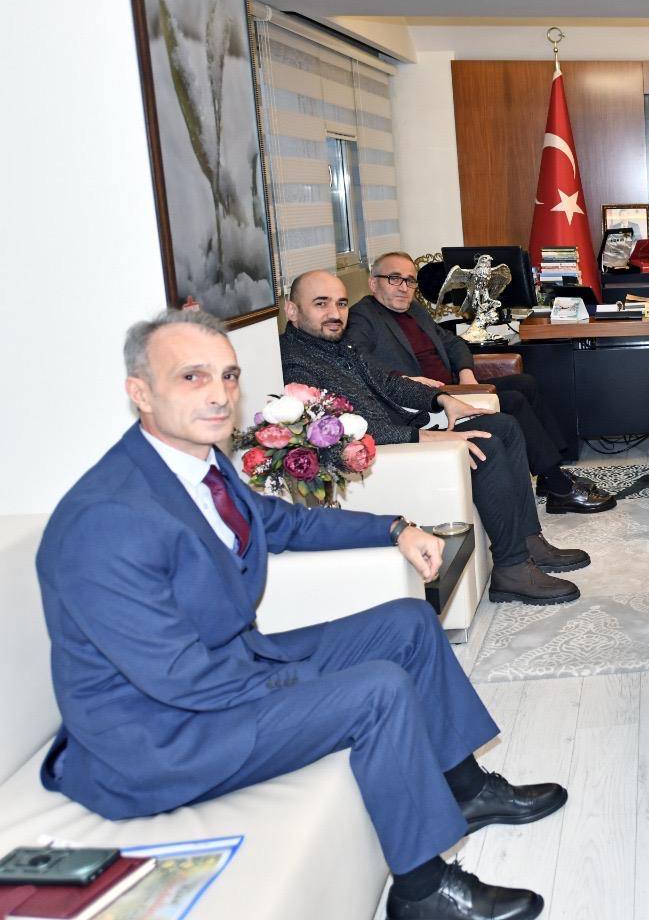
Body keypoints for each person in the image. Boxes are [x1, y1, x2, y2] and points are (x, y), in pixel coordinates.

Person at [37, 310, 564, 919]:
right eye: (191, 377)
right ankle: (421, 892)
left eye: (229, 376)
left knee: (408, 623)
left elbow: (281, 523)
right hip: (161, 736)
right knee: (377, 690)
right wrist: (315, 683)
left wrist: (395, 528)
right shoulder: (106, 519)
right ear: (141, 392)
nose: (219, 394)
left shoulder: (195, 465)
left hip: (228, 670)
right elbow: (181, 680)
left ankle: (467, 791)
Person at [280, 270, 588, 606]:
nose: (335, 313)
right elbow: (336, 430)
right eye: (321, 304)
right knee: (484, 444)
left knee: (504, 425)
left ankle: (528, 540)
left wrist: (441, 399)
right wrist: (419, 436)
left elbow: (390, 383)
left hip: (407, 432)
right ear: (292, 310)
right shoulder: (295, 363)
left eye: (341, 304)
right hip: (387, 451)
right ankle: (511, 569)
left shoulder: (342, 346)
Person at [347, 251, 613, 515]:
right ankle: (560, 489)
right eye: (394, 279)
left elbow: (453, 342)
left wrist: (466, 373)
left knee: (526, 383)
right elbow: (357, 360)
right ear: (373, 283)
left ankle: (548, 475)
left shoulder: (414, 311)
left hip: (454, 388)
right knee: (513, 401)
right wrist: (403, 379)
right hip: (425, 402)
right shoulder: (362, 316)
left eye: (410, 280)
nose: (404, 288)